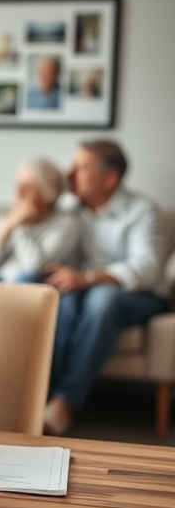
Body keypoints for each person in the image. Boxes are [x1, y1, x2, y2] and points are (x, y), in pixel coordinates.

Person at [42, 140, 169, 435]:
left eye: (80, 167)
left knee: (102, 299)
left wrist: (88, 278)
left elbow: (145, 268)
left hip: (141, 294)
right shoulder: (70, 210)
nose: (69, 173)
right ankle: (43, 393)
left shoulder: (143, 210)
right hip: (85, 289)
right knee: (62, 299)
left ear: (109, 178)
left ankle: (65, 401)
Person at [0, 158, 80, 283]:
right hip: (4, 281)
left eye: (27, 187)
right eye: (17, 184)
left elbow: (34, 267)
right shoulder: (7, 219)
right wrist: (6, 228)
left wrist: (19, 225)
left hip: (37, 284)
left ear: (48, 194)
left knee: (24, 278)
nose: (18, 192)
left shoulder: (65, 224)